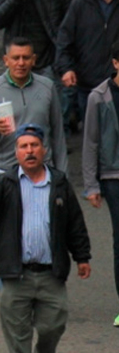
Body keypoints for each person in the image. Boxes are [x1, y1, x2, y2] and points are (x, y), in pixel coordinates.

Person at [0, 125, 91, 353]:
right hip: (17, 273)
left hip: (50, 273)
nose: (30, 151)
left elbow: (75, 223)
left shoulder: (58, 183)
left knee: (53, 326)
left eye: (34, 145)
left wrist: (82, 257)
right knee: (17, 333)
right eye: (23, 146)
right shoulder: (6, 183)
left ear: (43, 150)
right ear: (16, 153)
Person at [0, 37, 66, 172]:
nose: (21, 63)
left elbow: (58, 134)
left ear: (33, 60)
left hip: (42, 169)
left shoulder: (47, 86)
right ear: (6, 60)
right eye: (16, 58)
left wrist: (62, 175)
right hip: (5, 170)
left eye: (26, 58)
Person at [55, 0, 119, 117]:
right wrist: (66, 69)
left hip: (117, 84)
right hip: (88, 86)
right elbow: (64, 39)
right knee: (92, 137)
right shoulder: (80, 4)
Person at [82, 42, 119, 327]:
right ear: (115, 63)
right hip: (113, 176)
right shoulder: (100, 97)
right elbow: (90, 142)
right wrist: (91, 184)